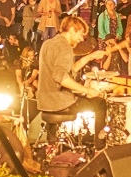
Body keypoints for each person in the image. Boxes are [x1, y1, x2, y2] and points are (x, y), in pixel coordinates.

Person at [36, 16, 107, 145]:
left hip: (44, 101)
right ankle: (99, 147)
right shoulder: (65, 48)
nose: (81, 39)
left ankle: (51, 145)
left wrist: (89, 57)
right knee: (100, 103)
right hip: (58, 102)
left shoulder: (47, 43)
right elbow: (60, 77)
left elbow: (70, 69)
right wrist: (87, 90)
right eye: (80, 34)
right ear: (72, 30)